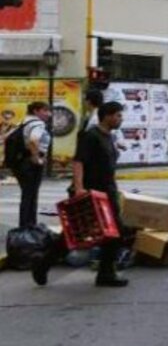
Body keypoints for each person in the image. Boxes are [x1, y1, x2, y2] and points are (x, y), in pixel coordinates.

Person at [35, 101, 129, 287]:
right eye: (118, 115)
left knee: (116, 233)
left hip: (107, 192)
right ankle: (43, 263)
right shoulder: (90, 136)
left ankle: (106, 274)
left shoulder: (108, 136)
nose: (121, 119)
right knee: (76, 234)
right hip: (90, 193)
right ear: (107, 116)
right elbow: (79, 162)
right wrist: (79, 189)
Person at [13, 102, 51, 228]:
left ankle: (25, 226)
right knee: (31, 196)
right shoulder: (38, 124)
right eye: (45, 110)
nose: (48, 114)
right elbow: (33, 140)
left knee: (27, 195)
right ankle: (28, 227)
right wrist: (36, 158)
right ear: (36, 111)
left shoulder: (23, 122)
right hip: (31, 164)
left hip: (21, 163)